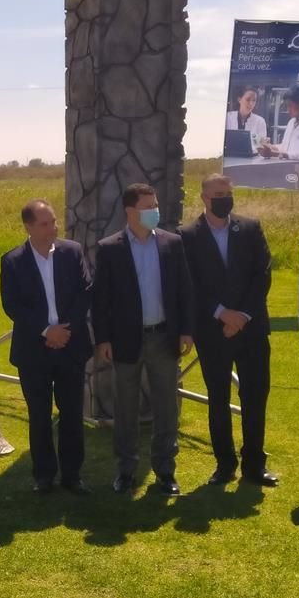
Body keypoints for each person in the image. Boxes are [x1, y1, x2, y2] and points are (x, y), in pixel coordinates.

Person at [92, 183, 194, 496]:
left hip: (164, 337)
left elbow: (184, 291)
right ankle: (126, 471)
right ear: (130, 211)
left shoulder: (172, 244)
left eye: (156, 205)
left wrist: (186, 330)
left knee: (166, 406)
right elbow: (101, 300)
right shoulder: (110, 248)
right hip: (125, 341)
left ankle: (165, 471)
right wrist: (103, 338)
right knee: (125, 408)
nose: (155, 211)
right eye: (148, 206)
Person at [178, 174, 278, 487]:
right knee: (218, 398)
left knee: (255, 396)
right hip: (213, 331)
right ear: (204, 197)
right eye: (219, 193)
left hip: (251, 329)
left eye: (229, 192)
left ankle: (254, 465)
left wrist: (243, 315)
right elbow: (190, 283)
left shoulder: (250, 228)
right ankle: (224, 464)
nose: (225, 197)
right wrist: (223, 314)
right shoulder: (187, 236)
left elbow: (261, 275)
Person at [0, 200, 93, 495]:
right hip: (33, 350)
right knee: (39, 415)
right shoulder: (12, 261)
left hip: (71, 346)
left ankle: (72, 474)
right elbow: (12, 304)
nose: (53, 228)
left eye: (53, 221)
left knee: (71, 413)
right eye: (45, 223)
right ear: (28, 226)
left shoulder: (72, 252)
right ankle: (43, 475)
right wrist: (45, 330)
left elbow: (85, 291)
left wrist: (65, 331)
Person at [258, 85, 299, 161]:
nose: (287, 110)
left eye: (289, 106)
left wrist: (275, 154)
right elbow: (285, 147)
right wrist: (270, 147)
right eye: (286, 106)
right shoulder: (291, 122)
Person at [225, 85, 268, 150]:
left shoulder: (260, 121)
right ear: (239, 99)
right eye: (248, 100)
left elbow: (260, 146)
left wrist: (262, 143)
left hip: (252, 158)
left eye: (254, 100)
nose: (251, 104)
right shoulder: (228, 117)